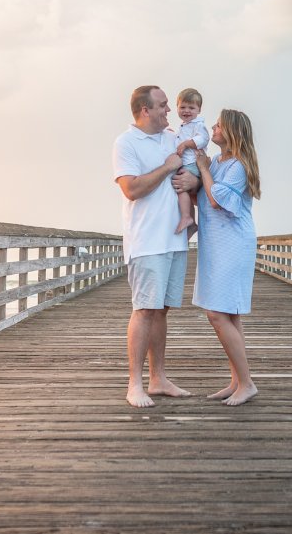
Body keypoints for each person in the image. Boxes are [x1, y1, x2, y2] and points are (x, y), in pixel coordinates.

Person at [112, 85, 198, 408]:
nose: (169, 110)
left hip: (174, 239)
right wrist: (166, 167)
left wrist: (194, 181)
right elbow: (131, 189)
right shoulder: (126, 143)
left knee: (162, 310)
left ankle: (158, 378)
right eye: (163, 105)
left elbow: (190, 172)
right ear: (145, 110)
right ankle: (135, 383)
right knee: (144, 309)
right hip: (146, 241)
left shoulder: (171, 137)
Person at [191, 108, 262, 406]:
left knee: (217, 313)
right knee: (230, 313)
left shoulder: (238, 165)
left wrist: (204, 169)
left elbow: (217, 199)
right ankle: (237, 381)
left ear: (232, 131)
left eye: (219, 125)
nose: (214, 128)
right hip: (216, 244)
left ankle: (246, 383)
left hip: (233, 244)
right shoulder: (219, 161)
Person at [172, 88, 210, 235]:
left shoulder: (198, 125)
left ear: (199, 110)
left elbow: (203, 139)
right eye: (182, 107)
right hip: (187, 163)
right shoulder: (183, 126)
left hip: (192, 164)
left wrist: (187, 143)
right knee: (183, 191)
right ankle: (191, 221)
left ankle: (187, 217)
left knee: (181, 187)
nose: (186, 111)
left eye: (191, 107)